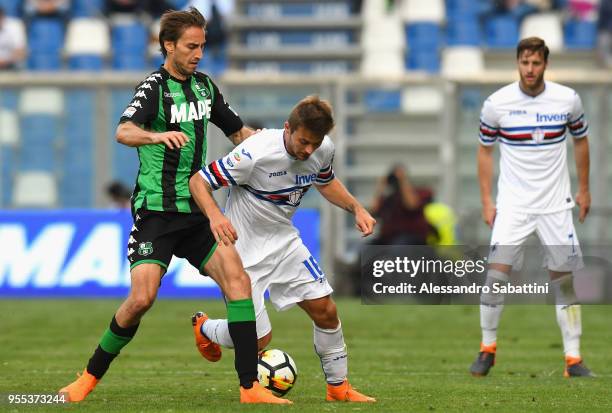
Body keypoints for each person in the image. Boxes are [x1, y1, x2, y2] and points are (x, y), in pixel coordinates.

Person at [59, 8, 289, 404]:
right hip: (157, 213)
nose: (199, 53)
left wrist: (274, 147)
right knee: (141, 299)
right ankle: (88, 377)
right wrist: (157, 135)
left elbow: (238, 133)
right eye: (191, 46)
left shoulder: (205, 88)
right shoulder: (154, 87)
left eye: (202, 45)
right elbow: (123, 130)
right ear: (169, 46)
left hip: (197, 210)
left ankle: (250, 388)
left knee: (239, 283)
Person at [188, 95, 377, 402]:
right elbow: (199, 182)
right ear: (287, 128)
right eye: (303, 141)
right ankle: (206, 327)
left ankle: (338, 387)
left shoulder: (322, 149)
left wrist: (356, 208)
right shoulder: (254, 153)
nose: (308, 150)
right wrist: (216, 216)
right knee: (259, 338)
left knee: (326, 310)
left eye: (315, 144)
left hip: (284, 242)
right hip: (243, 253)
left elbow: (325, 181)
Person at [471, 37, 593, 378]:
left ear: (545, 64)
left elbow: (581, 141)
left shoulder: (567, 99)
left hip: (556, 206)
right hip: (513, 206)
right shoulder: (497, 103)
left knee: (564, 283)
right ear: (517, 63)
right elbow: (484, 150)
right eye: (524, 62)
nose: (530, 69)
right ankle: (487, 349)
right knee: (495, 277)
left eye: (536, 63)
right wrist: (486, 199)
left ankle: (573, 359)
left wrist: (584, 189)